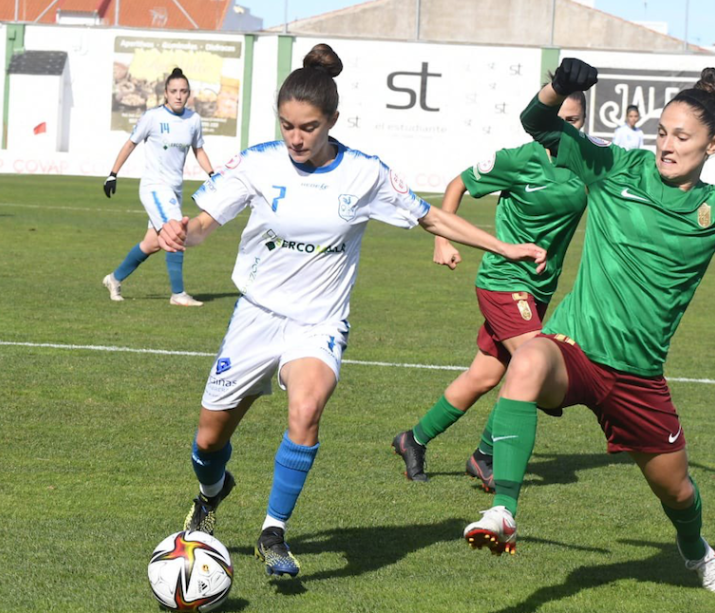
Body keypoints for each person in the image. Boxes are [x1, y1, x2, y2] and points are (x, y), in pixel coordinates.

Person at [158, 44, 546, 578]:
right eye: (288, 124)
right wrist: (184, 231)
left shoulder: (363, 175)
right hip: (256, 316)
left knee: (307, 407)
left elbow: (432, 218)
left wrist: (506, 248)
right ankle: (212, 491)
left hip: (318, 323)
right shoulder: (258, 163)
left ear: (332, 121)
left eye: (309, 127)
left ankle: (273, 532)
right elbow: (204, 223)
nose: (296, 137)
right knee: (208, 441)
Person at [462, 58, 715, 597]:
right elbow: (540, 125)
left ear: (713, 145)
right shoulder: (618, 168)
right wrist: (558, 88)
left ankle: (695, 551)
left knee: (678, 492)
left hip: (639, 378)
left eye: (681, 137)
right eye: (661, 132)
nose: (666, 144)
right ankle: (503, 508)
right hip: (576, 352)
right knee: (525, 359)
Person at [392, 86, 589, 490]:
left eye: (574, 121)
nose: (566, 129)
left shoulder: (586, 163)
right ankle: (485, 456)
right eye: (559, 119)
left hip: (538, 289)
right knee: (534, 368)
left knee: (484, 376)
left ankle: (413, 439)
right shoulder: (518, 159)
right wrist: (441, 240)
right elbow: (456, 184)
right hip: (503, 281)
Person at [101, 68, 215, 307]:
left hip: (174, 190)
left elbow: (199, 150)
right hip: (154, 187)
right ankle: (178, 294)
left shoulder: (193, 120)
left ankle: (114, 278)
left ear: (188, 94)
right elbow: (130, 144)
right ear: (165, 93)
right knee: (176, 232)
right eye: (173, 91)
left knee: (152, 243)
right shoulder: (152, 117)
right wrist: (113, 174)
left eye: (183, 91)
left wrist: (213, 175)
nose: (178, 96)